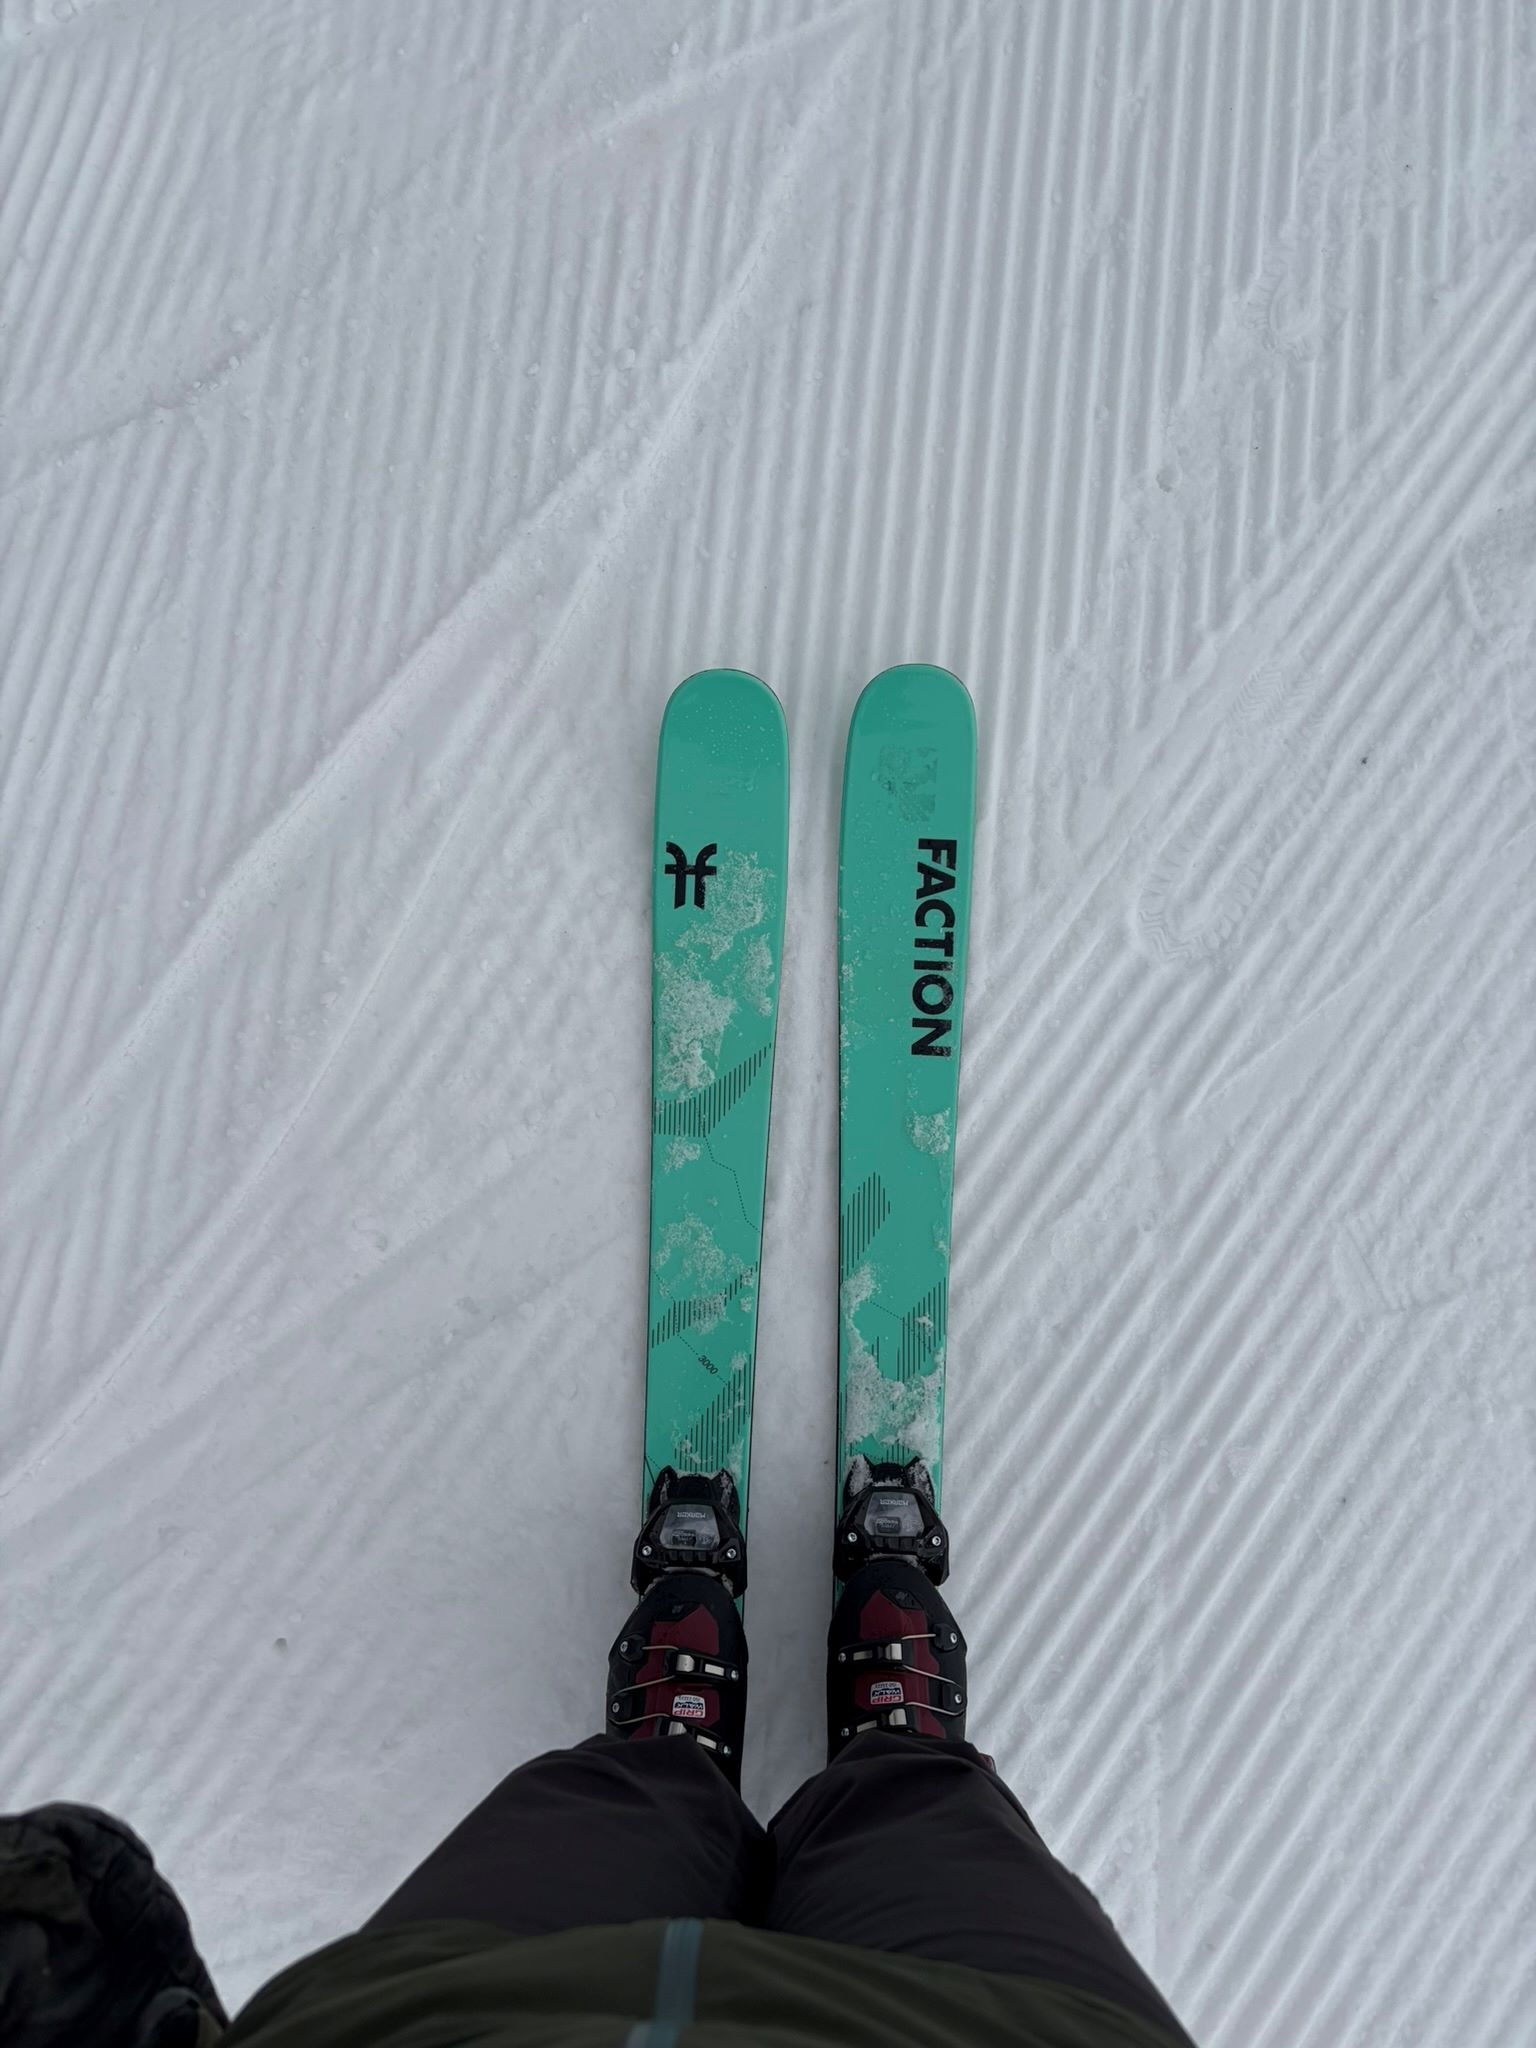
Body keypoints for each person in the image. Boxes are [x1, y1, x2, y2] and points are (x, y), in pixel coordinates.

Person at [1, 1462, 1194, 2047]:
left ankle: (670, 1753)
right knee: (924, 1820)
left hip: (446, 2017)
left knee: (610, 1803)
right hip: (997, 2029)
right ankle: (896, 1750)